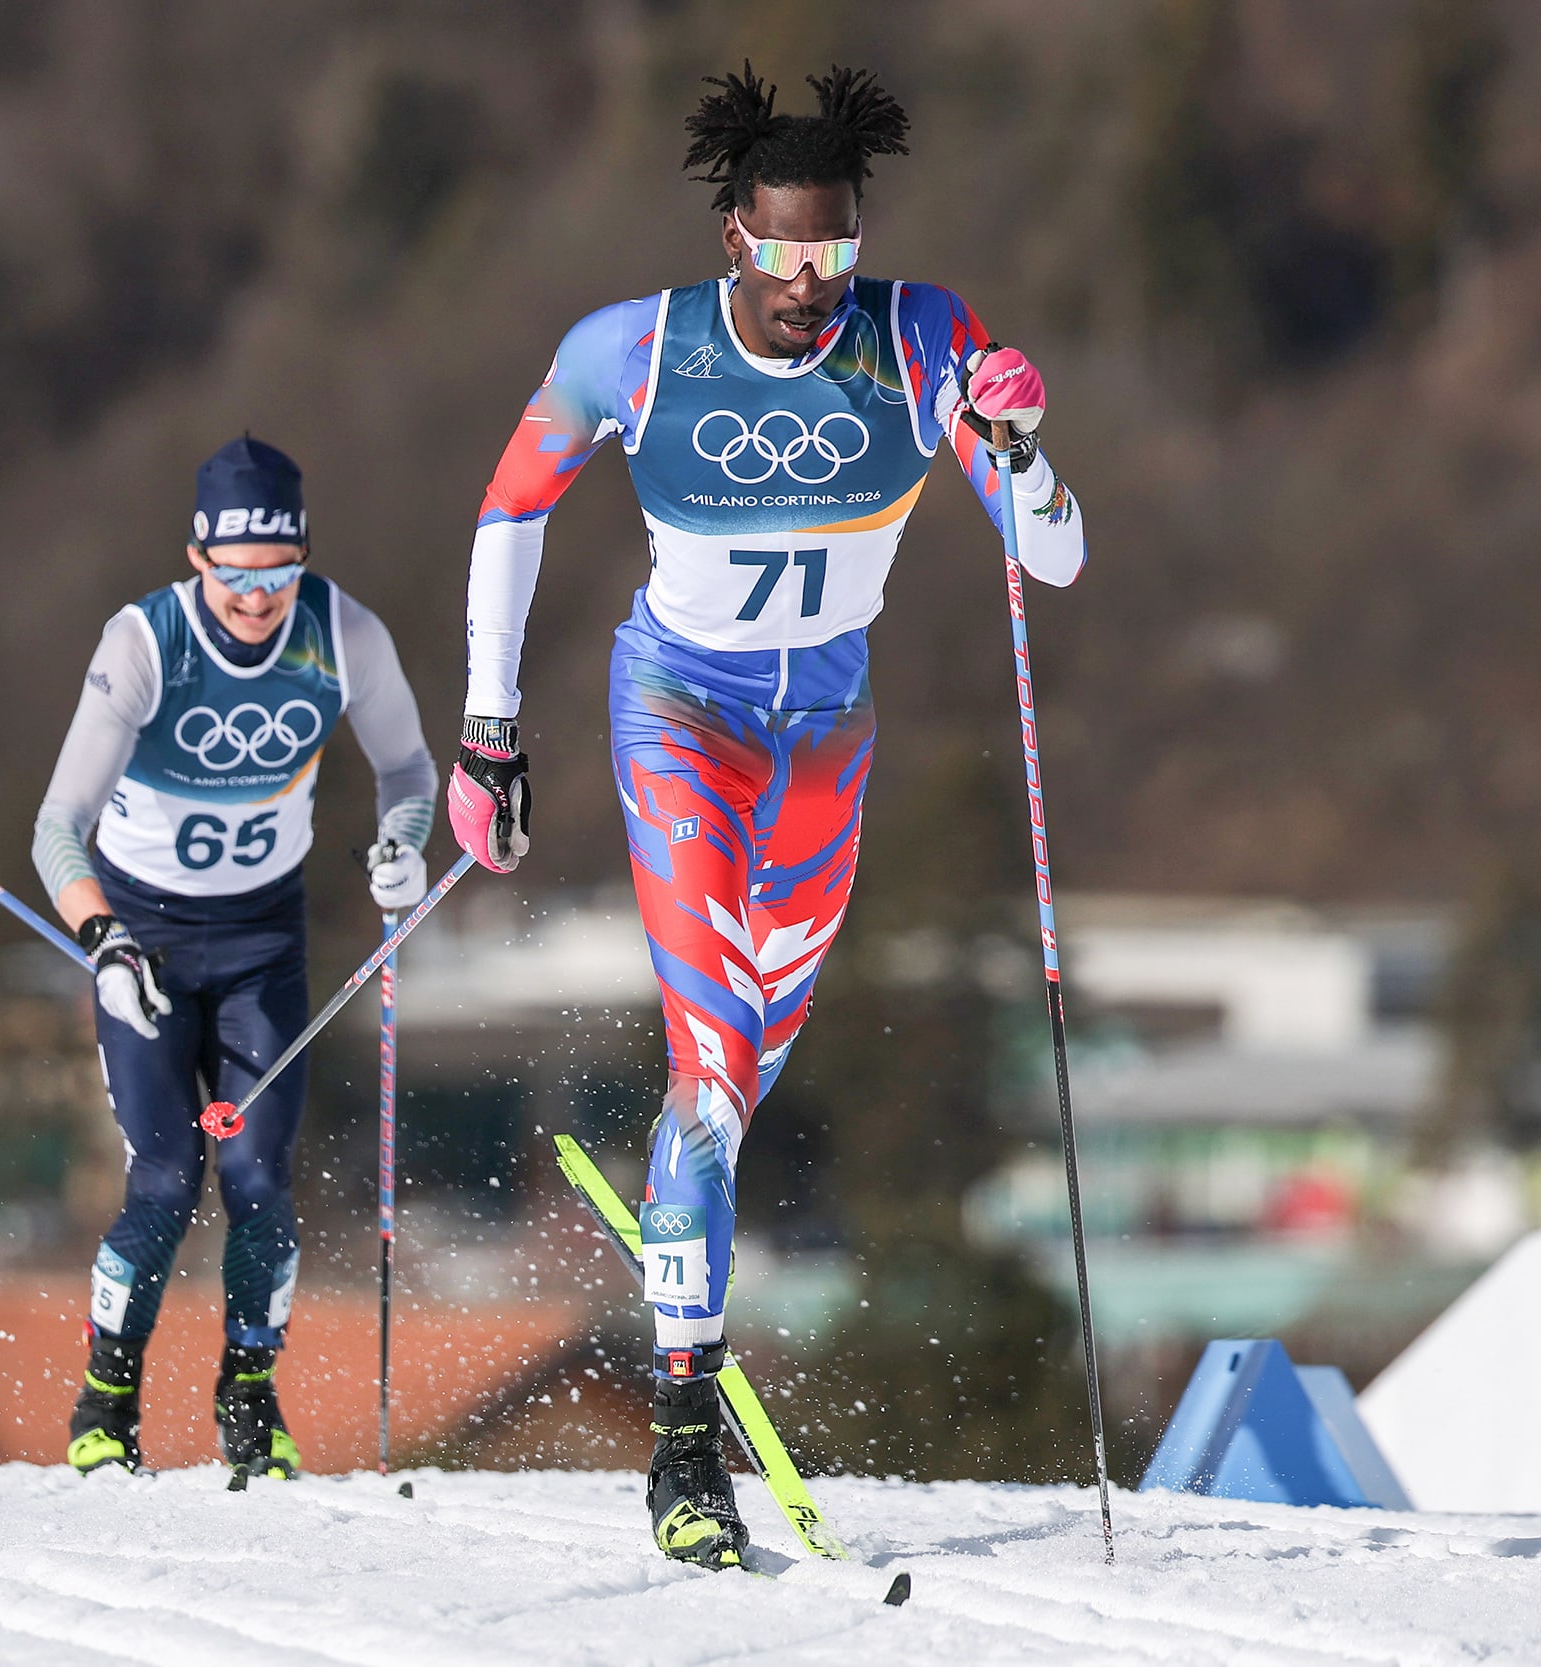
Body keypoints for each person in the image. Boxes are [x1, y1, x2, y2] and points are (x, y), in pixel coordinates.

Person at [446, 65, 1089, 1565]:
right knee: (713, 1063)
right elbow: (509, 512)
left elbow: (1053, 559)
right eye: (788, 253)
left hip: (825, 744)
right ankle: (683, 1446)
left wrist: (1018, 447)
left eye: (838, 252)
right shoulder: (632, 352)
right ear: (735, 233)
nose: (814, 285)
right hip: (683, 715)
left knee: (740, 1091)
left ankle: (686, 1216)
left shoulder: (920, 339)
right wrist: (488, 728)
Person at [35, 434, 437, 1479]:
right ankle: (106, 1400)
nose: (257, 599)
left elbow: (408, 768)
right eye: (235, 576)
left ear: (302, 558)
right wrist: (103, 941)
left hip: (263, 939)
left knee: (259, 1172)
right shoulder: (145, 642)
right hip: (146, 939)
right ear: (197, 558)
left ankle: (250, 1398)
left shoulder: (343, 633)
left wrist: (402, 846)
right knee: (167, 1176)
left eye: (278, 574)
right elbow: (57, 828)